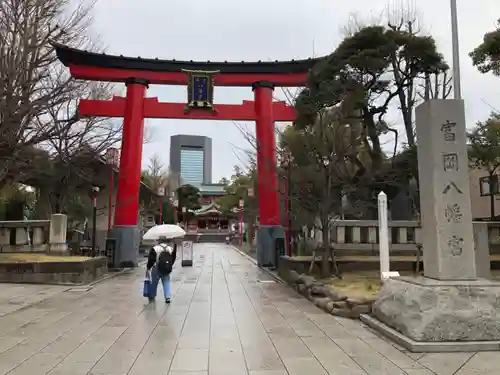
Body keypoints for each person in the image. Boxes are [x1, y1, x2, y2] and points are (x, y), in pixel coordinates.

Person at [146, 236, 176, 303]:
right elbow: (173, 258)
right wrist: (169, 265)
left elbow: (151, 260)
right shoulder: (170, 248)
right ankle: (167, 297)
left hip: (156, 268)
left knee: (154, 282)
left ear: (159, 241)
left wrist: (148, 267)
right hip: (166, 268)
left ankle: (152, 295)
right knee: (166, 282)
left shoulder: (155, 248)